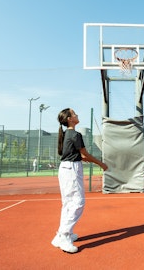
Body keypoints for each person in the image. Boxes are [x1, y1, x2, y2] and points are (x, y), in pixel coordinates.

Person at [51, 108, 108, 253]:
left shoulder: (65, 135)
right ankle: (64, 235)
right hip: (71, 170)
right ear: (70, 119)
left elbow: (73, 154)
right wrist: (101, 164)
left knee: (68, 203)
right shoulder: (75, 134)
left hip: (65, 168)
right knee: (78, 203)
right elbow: (85, 154)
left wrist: (81, 159)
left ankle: (62, 234)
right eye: (74, 113)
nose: (77, 115)